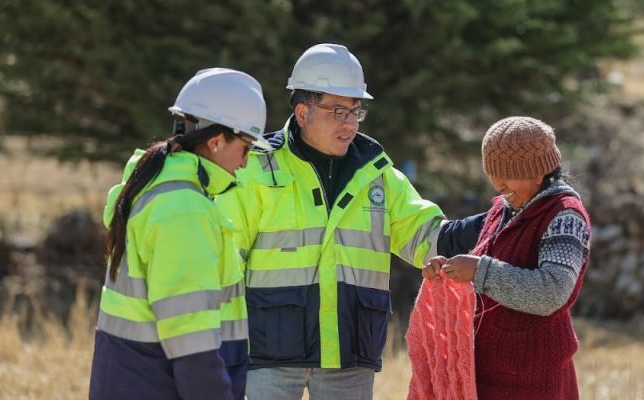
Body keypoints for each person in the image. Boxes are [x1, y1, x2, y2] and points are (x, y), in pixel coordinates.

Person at [215, 43, 482, 400]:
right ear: (301, 112)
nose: (350, 124)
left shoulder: (377, 174)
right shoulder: (259, 168)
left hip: (350, 356)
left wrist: (498, 220)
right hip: (266, 357)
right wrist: (221, 347)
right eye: (338, 111)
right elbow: (225, 261)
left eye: (356, 112)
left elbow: (429, 238)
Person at [89, 68, 271, 400]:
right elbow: (190, 340)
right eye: (246, 148)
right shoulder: (184, 209)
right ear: (217, 141)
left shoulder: (158, 186)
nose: (246, 164)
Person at [423, 116, 592, 400]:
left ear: (538, 172)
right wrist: (448, 271)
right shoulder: (502, 211)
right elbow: (480, 276)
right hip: (487, 374)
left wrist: (479, 271)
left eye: (507, 174)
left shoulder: (565, 216)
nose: (498, 185)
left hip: (535, 379)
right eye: (493, 174)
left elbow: (551, 292)